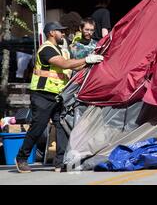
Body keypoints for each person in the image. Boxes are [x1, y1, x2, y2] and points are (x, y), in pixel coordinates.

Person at [15, 22, 104, 173]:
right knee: (38, 127)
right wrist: (86, 60)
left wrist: (91, 62)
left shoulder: (61, 50)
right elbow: (64, 64)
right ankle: (21, 158)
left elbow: (74, 66)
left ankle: (60, 162)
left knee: (61, 126)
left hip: (58, 95)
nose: (63, 34)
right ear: (51, 33)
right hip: (43, 95)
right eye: (60, 31)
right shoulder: (47, 49)